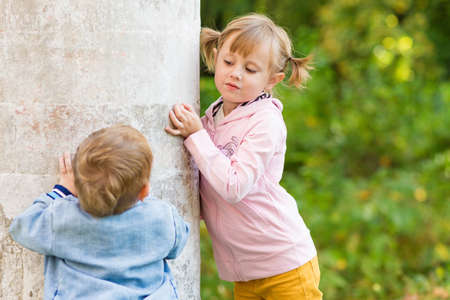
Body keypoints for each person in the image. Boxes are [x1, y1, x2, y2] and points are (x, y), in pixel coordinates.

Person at [165, 13, 322, 300]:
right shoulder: (212, 116)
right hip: (245, 273)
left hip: (285, 266)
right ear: (215, 57)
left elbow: (233, 186)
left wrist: (195, 135)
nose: (235, 73)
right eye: (228, 62)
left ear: (272, 80)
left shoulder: (266, 122)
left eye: (250, 69)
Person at [9, 124, 189, 300]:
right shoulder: (162, 217)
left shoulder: (63, 218)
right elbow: (177, 245)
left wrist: (62, 191)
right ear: (144, 190)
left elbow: (22, 227)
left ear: (77, 186)